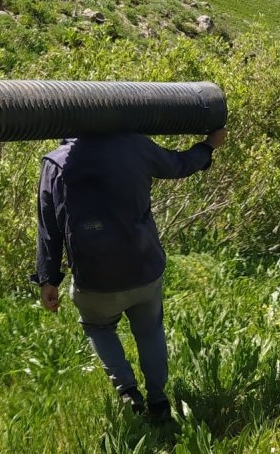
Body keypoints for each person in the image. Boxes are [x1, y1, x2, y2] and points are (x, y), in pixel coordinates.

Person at [32, 129, 226, 419]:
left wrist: (48, 278)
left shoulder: (55, 163)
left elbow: (49, 226)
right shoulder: (134, 146)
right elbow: (179, 164)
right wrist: (209, 145)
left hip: (94, 280)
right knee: (149, 331)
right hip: (144, 268)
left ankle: (128, 393)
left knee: (98, 328)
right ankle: (159, 402)